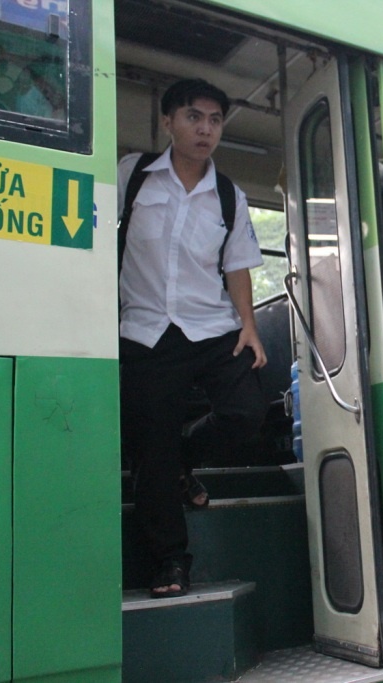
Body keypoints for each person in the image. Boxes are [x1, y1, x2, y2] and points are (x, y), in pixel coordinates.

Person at [118, 78, 268, 599]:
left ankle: (186, 456)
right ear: (168, 122)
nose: (205, 129)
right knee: (150, 453)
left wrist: (249, 325)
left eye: (215, 120)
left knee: (247, 412)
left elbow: (238, 266)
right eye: (193, 117)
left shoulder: (229, 195)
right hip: (144, 331)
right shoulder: (132, 176)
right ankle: (170, 562)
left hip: (210, 327)